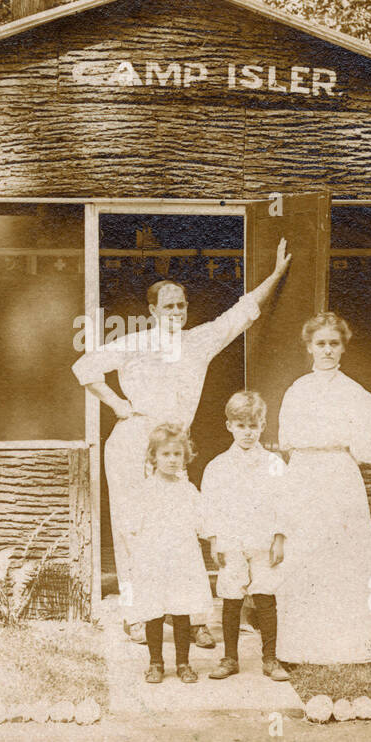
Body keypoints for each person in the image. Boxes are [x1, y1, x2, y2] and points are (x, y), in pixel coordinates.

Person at [73, 238, 293, 644]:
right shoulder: (135, 342)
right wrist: (119, 405)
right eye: (168, 305)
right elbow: (85, 367)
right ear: (153, 311)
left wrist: (277, 275)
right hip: (132, 442)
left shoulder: (198, 342)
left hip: (172, 447)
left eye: (181, 305)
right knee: (134, 528)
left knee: (179, 528)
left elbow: (242, 313)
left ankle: (189, 618)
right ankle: (137, 615)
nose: (176, 311)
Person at [275, 312, 371, 665]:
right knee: (307, 553)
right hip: (304, 476)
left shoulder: (356, 394)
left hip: (340, 476)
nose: (327, 350)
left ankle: (354, 643)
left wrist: (344, 446)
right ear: (309, 347)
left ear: (343, 347)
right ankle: (304, 646)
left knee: (345, 556)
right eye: (321, 344)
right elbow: (288, 440)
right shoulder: (296, 391)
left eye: (334, 344)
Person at [200, 391, 291, 681]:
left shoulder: (275, 465)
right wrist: (215, 539)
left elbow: (284, 502)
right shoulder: (217, 467)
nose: (248, 432)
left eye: (253, 425)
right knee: (231, 597)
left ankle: (270, 658)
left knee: (265, 596)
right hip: (231, 540)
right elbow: (209, 507)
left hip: (263, 539)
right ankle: (229, 658)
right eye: (241, 425)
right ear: (230, 426)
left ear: (263, 425)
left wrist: (279, 538)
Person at [119, 424, 213, 684]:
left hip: (182, 559)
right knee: (154, 612)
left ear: (185, 457)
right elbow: (130, 528)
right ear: (154, 457)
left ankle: (183, 662)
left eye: (177, 455)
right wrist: (138, 558)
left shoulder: (188, 490)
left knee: (182, 611)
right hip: (153, 559)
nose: (172, 460)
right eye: (166, 454)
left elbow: (202, 522)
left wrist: (213, 539)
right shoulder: (144, 491)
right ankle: (156, 663)